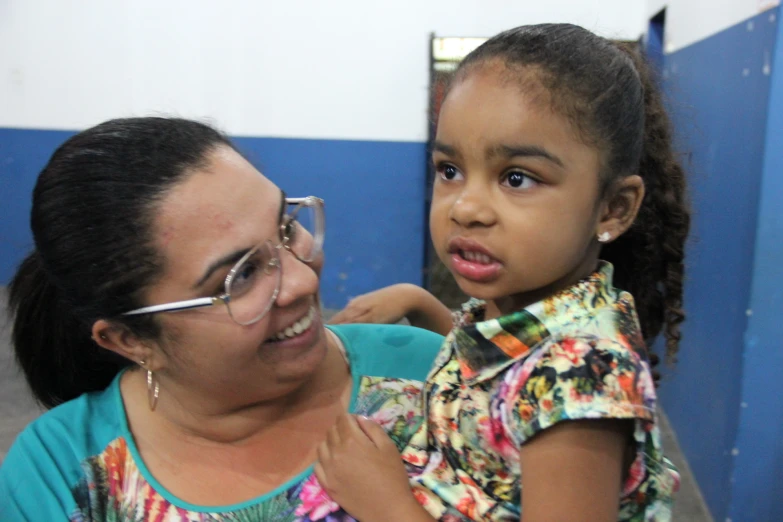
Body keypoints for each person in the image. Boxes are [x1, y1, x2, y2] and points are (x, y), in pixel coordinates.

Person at [316, 24, 689, 521]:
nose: (466, 208)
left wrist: (384, 502)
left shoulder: (584, 384)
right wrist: (421, 302)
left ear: (613, 209)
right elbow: (504, 385)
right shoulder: (531, 308)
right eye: (450, 169)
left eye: (517, 178)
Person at [0, 116, 449, 521]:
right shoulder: (59, 473)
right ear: (128, 339)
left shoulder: (428, 377)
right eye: (242, 276)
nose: (301, 283)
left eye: (286, 228)